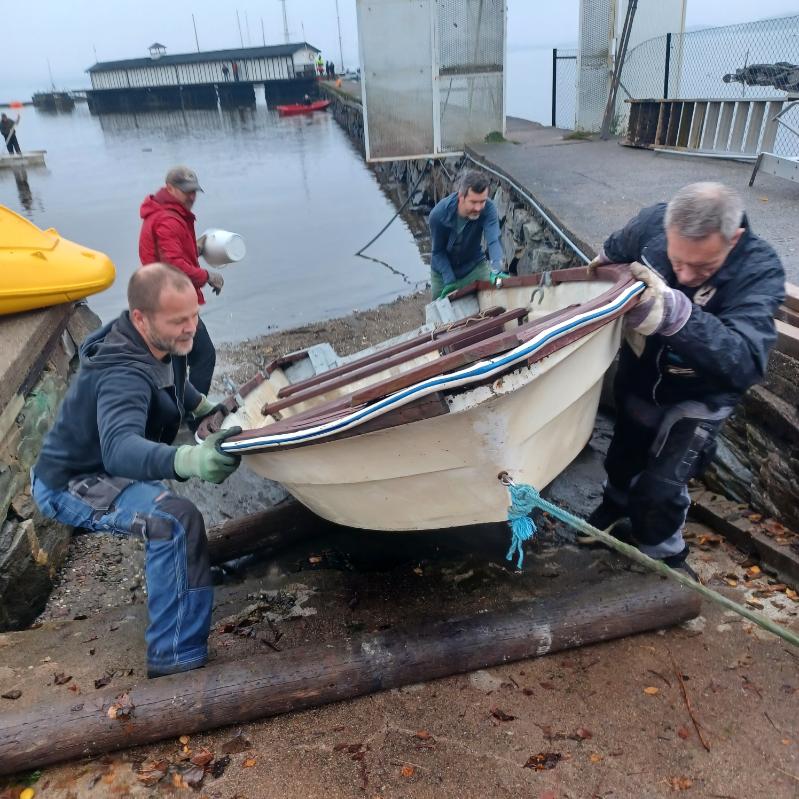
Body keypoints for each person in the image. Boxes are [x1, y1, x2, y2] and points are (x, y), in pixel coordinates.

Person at [31, 264, 241, 677]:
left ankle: (180, 592)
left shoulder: (159, 339)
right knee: (174, 521)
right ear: (141, 318)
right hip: (75, 479)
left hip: (108, 464)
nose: (190, 329)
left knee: (172, 517)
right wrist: (190, 459)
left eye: (194, 316)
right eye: (178, 321)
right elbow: (120, 450)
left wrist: (204, 408)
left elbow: (175, 381)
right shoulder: (120, 370)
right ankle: (174, 659)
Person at [584, 182, 785, 576]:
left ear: (735, 238)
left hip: (702, 393)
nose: (686, 276)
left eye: (703, 268)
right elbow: (612, 251)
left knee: (662, 486)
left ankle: (664, 555)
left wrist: (678, 314)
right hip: (643, 374)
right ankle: (615, 507)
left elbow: (745, 360)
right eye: (677, 263)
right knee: (624, 452)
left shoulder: (759, 271)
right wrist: (602, 276)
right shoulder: (652, 222)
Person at [139, 165, 222, 400]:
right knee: (204, 356)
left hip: (161, 299)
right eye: (186, 191)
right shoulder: (168, 219)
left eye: (195, 191)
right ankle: (194, 415)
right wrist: (208, 276)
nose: (192, 196)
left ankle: (177, 412)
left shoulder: (167, 213)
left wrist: (196, 248)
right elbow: (174, 265)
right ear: (170, 188)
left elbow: (166, 253)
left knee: (177, 362)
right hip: (170, 303)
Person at [428, 169, 505, 300]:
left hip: (474, 266)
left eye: (482, 201)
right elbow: (438, 252)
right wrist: (449, 281)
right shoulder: (438, 215)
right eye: (474, 202)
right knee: (440, 315)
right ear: (461, 197)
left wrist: (497, 268)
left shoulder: (489, 209)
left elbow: (494, 240)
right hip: (443, 272)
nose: (478, 208)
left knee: (496, 298)